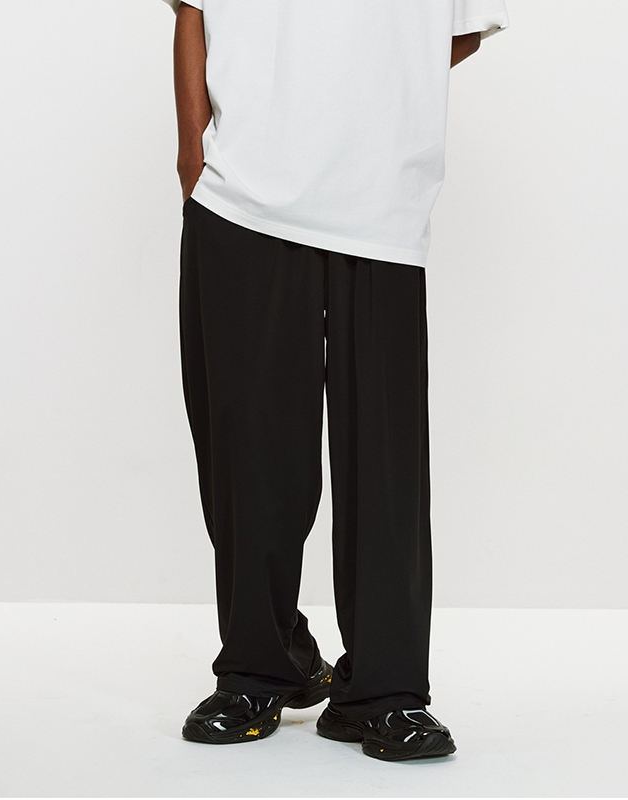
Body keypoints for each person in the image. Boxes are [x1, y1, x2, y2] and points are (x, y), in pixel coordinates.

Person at [162, 0, 508, 762]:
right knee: (248, 446)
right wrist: (195, 157)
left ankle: (384, 691)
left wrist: (361, 103)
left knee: (384, 459)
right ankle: (260, 666)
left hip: (381, 200)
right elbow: (192, 11)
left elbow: (453, 33)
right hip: (240, 193)